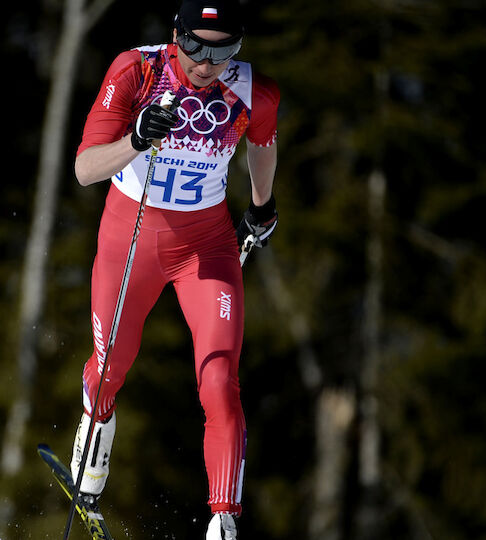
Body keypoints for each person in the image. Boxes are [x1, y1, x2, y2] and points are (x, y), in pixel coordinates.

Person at [69, 0, 279, 537]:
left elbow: (261, 145)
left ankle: (223, 521)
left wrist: (261, 207)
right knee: (111, 364)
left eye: (224, 51)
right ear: (175, 36)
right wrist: (136, 137)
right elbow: (85, 169)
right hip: (130, 238)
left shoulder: (255, 90)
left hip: (205, 246)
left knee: (219, 379)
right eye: (194, 48)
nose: (207, 64)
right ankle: (94, 449)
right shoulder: (135, 71)